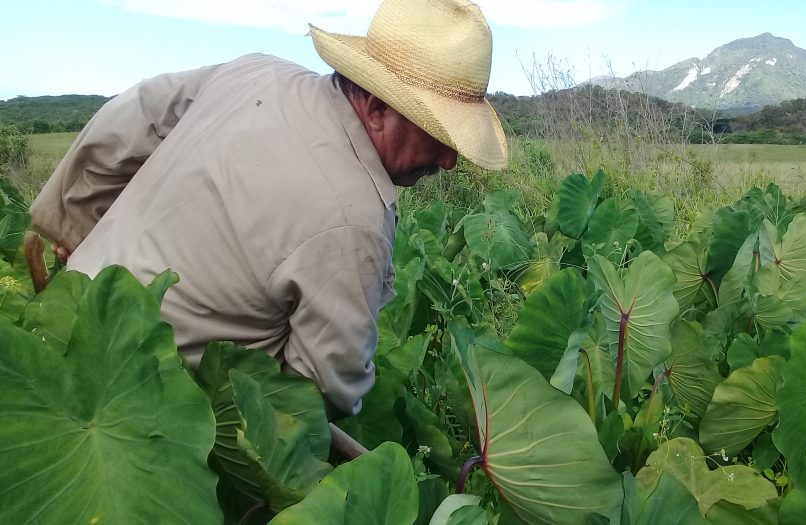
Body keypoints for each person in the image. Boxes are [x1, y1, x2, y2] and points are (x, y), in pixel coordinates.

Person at [27, 0, 507, 417]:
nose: (448, 160)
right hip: (150, 407)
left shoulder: (258, 72)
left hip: (64, 322)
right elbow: (319, 395)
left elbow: (132, 117)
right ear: (377, 105)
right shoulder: (353, 219)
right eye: (437, 133)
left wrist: (77, 228)